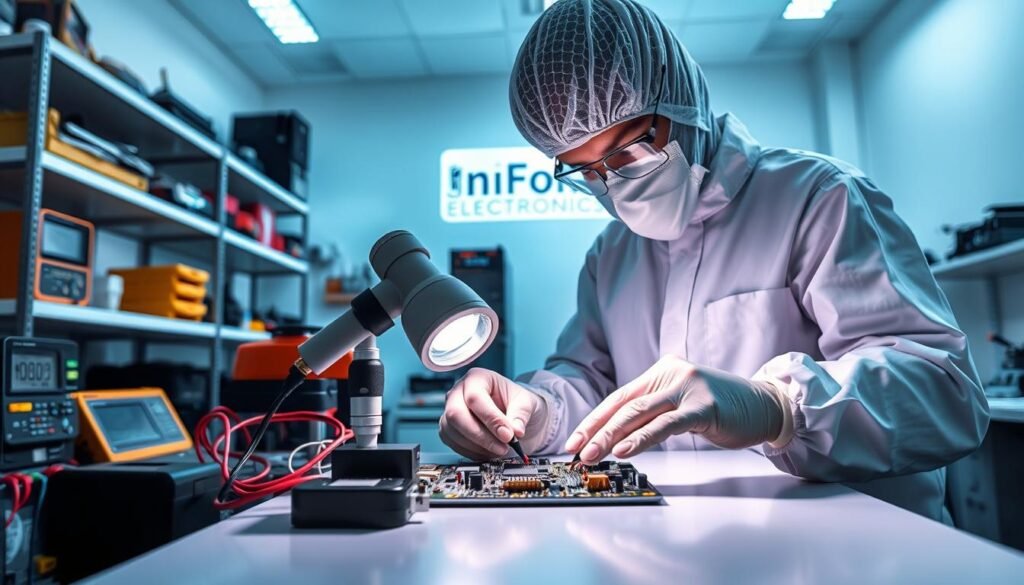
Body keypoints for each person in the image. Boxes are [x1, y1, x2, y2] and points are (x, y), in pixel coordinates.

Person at [438, 0, 989, 521]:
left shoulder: (820, 199)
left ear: (681, 100)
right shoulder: (612, 255)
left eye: (629, 149)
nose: (615, 186)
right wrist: (534, 412)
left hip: (867, 554)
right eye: (586, 171)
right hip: (686, 548)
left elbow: (946, 391)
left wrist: (778, 409)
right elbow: (588, 383)